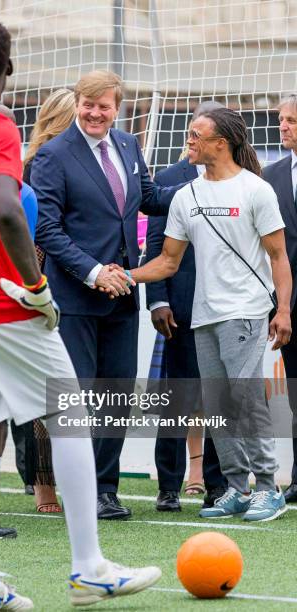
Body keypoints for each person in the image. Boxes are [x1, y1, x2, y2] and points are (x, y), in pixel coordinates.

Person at [0, 17, 161, 609]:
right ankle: (89, 568)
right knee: (68, 411)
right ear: (8, 67)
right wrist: (37, 286)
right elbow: (10, 213)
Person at [128, 107, 292, 522]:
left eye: (197, 135)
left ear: (222, 143)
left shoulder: (256, 190)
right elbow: (167, 261)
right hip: (203, 315)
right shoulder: (186, 196)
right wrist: (124, 275)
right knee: (220, 403)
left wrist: (284, 309)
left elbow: (278, 256)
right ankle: (237, 488)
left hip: (247, 311)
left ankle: (267, 487)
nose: (189, 141)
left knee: (245, 397)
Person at [32, 69, 181, 520]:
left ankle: (104, 490)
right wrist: (94, 272)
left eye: (105, 105)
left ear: (117, 108)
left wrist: (204, 187)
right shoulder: (53, 156)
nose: (96, 113)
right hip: (75, 299)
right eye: (88, 104)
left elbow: (150, 198)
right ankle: (77, 491)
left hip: (121, 298)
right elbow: (46, 229)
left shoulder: (129, 146)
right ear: (77, 103)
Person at [146, 101, 226, 512]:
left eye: (199, 133)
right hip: (179, 309)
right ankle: (168, 487)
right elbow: (155, 245)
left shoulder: (243, 181)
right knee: (176, 402)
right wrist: (158, 299)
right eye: (189, 132)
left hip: (228, 311)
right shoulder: (168, 180)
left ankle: (218, 485)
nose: (190, 139)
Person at [13, 90, 75, 513]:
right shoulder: (35, 166)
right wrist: (37, 290)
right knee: (42, 393)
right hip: (42, 289)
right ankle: (42, 485)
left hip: (76, 285)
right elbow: (32, 234)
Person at [263, 95, 297, 503]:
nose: (283, 126)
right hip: (288, 304)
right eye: (281, 119)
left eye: (291, 120)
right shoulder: (270, 175)